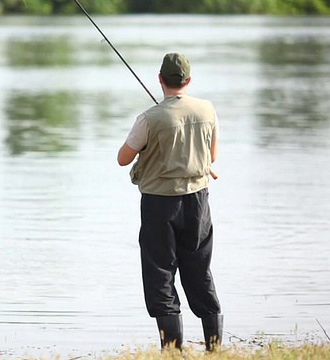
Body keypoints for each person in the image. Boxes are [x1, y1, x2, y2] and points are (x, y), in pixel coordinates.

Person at [117, 53, 223, 352]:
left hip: (160, 205)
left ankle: (173, 351)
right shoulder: (207, 109)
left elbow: (122, 159)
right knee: (199, 270)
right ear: (188, 80)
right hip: (198, 203)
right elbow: (212, 156)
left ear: (160, 79)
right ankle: (214, 349)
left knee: (160, 272)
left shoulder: (150, 117)